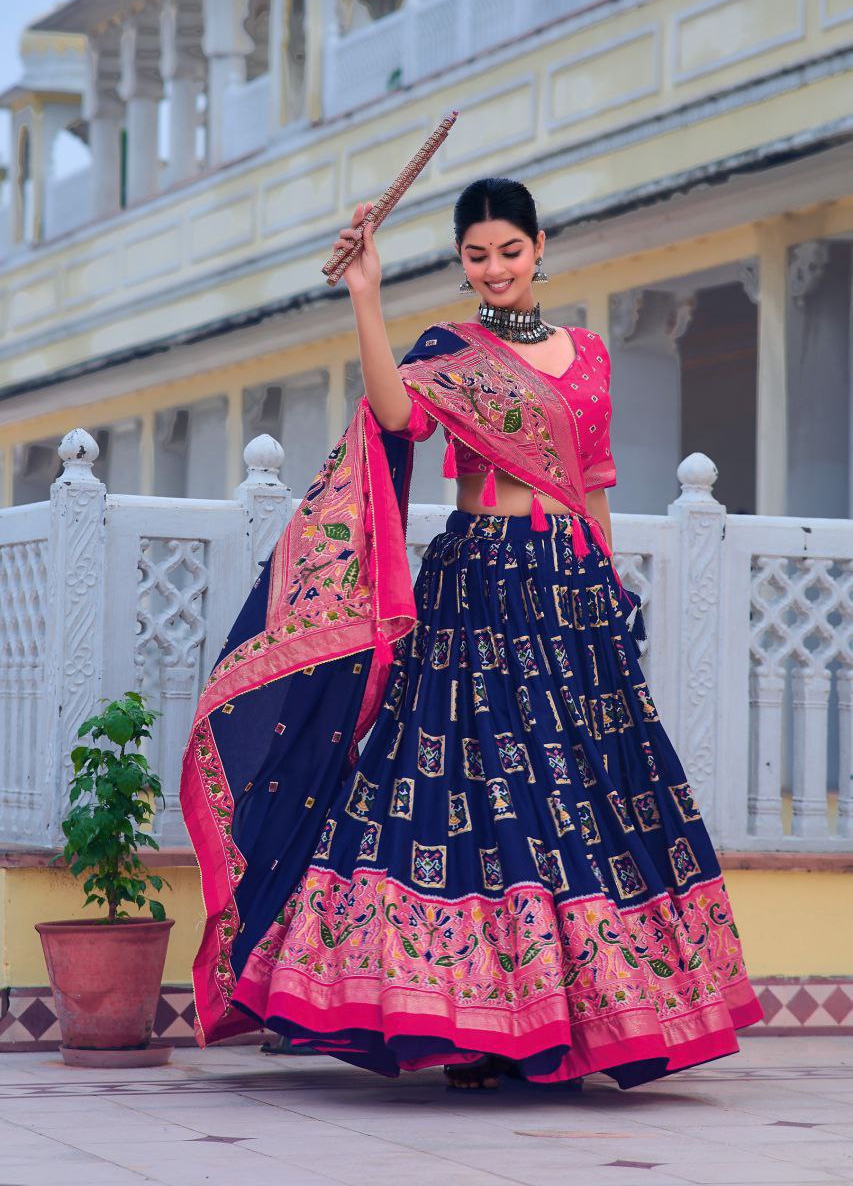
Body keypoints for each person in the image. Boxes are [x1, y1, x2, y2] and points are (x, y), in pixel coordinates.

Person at [181, 177, 763, 1093]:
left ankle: (577, 1019)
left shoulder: (591, 356)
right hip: (480, 583)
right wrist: (366, 297)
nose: (493, 268)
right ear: (461, 262)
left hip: (568, 586)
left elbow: (593, 479)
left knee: (584, 793)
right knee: (475, 789)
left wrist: (605, 578)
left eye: (508, 250)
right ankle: (474, 1029)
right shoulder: (451, 352)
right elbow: (395, 416)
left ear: (539, 248)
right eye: (475, 255)